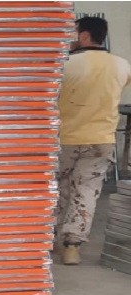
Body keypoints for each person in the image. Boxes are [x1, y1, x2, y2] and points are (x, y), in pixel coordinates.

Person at [55, 16, 131, 265]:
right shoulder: (121, 65)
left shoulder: (65, 65)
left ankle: (51, 238)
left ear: (84, 35)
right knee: (86, 190)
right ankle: (72, 247)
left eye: (73, 32)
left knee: (58, 188)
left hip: (65, 139)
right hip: (101, 140)